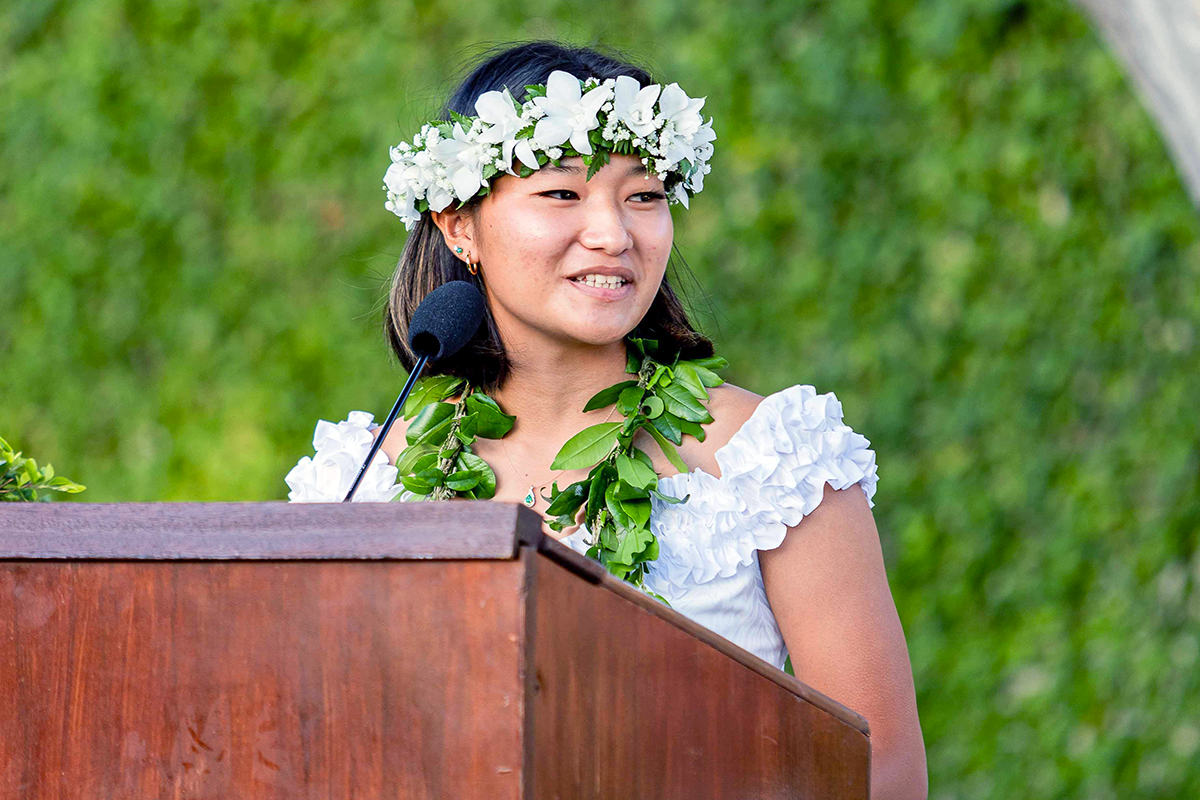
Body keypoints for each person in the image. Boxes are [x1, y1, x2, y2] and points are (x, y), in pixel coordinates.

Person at [287, 40, 928, 798]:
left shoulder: (769, 459)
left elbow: (878, 768)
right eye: (561, 194)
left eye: (644, 194)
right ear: (459, 226)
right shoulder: (364, 478)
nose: (614, 234)